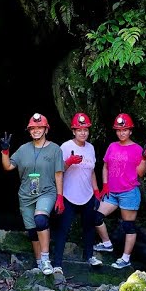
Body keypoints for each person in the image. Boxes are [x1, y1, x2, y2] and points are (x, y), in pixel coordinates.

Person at [0, 113, 64, 276]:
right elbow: (8, 167)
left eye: (39, 127)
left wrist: (60, 196)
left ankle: (45, 259)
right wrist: (5, 151)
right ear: (29, 131)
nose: (36, 131)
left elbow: (59, 173)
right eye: (33, 128)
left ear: (46, 129)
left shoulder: (55, 149)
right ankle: (39, 264)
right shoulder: (23, 149)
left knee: (41, 220)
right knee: (32, 231)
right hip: (26, 195)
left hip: (46, 192)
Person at [90, 113, 146, 269]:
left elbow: (141, 173)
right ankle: (107, 243)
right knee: (96, 217)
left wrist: (144, 159)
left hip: (129, 192)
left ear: (130, 131)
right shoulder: (112, 146)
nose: (121, 133)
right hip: (112, 192)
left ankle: (125, 258)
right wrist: (105, 184)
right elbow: (105, 166)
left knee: (128, 226)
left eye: (125, 130)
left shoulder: (136, 149)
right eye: (118, 130)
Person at [52, 112, 100, 273]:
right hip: (68, 194)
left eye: (85, 129)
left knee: (89, 227)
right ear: (73, 131)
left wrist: (96, 191)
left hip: (87, 194)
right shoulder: (65, 147)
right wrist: (68, 162)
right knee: (63, 228)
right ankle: (57, 263)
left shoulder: (91, 148)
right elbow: (58, 170)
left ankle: (89, 256)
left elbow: (92, 171)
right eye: (79, 130)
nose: (83, 133)